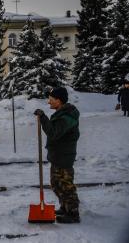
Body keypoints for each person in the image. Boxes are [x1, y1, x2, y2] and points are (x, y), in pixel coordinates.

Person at [34, 87, 81, 224]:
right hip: (58, 155)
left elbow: (54, 132)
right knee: (56, 184)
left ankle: (73, 213)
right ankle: (65, 207)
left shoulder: (67, 117)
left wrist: (43, 118)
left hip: (64, 156)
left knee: (66, 185)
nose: (49, 102)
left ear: (59, 101)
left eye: (51, 99)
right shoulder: (61, 113)